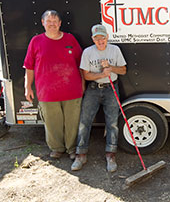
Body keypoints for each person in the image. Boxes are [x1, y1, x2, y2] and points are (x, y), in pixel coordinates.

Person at [23, 10, 83, 160]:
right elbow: (29, 67)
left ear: (60, 23)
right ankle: (57, 148)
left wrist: (83, 85)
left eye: (55, 21)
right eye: (48, 21)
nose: (52, 24)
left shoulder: (70, 39)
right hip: (47, 92)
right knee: (52, 123)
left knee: (72, 122)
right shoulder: (36, 41)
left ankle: (72, 148)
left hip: (72, 91)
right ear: (43, 23)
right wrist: (27, 87)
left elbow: (81, 64)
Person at [71, 24, 127, 172]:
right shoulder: (88, 52)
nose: (100, 41)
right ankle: (80, 154)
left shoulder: (115, 50)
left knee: (112, 123)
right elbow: (86, 75)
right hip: (94, 89)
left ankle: (111, 155)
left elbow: (123, 70)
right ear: (93, 40)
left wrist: (111, 68)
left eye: (103, 38)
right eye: (97, 39)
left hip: (111, 88)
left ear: (107, 37)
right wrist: (102, 74)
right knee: (84, 121)